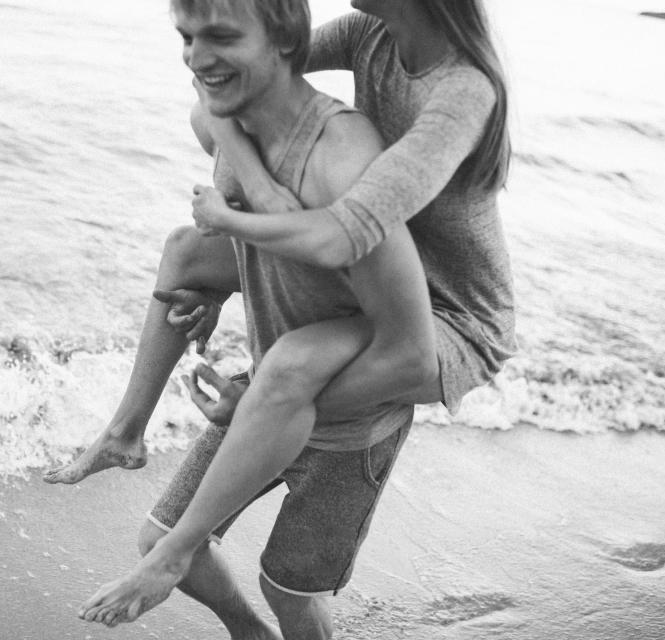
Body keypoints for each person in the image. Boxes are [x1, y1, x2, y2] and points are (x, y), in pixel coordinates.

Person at [68, 0, 517, 638]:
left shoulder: (464, 91)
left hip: (449, 313)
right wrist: (246, 214)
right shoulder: (373, 34)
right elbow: (239, 77)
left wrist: (237, 219)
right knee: (188, 254)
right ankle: (126, 431)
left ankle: (182, 543)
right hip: (369, 273)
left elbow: (346, 235)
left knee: (284, 375)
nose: (198, 50)